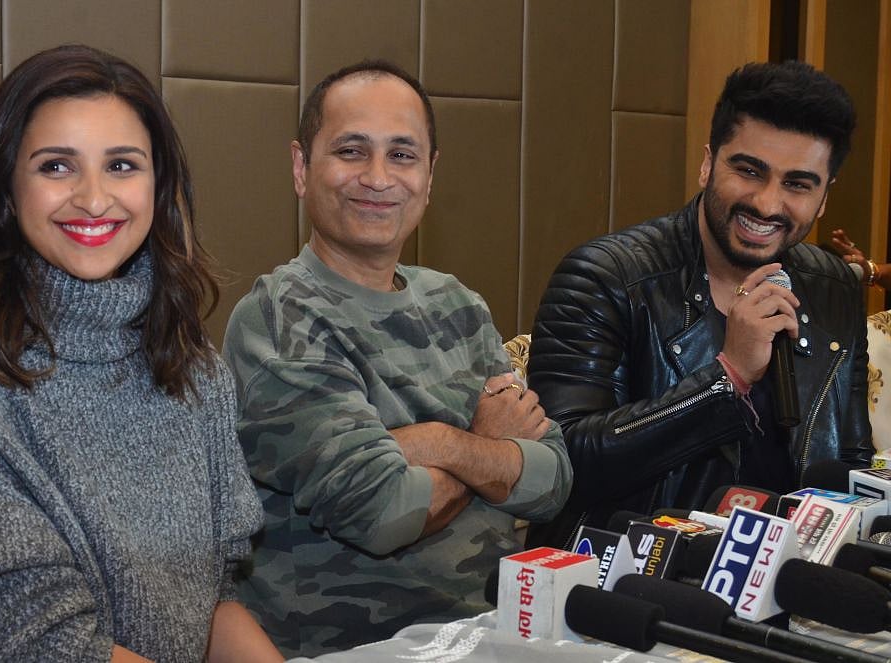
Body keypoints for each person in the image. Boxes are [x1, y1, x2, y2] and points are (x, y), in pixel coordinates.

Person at [0, 45, 281, 663]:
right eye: (57, 167)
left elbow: (212, 600)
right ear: (7, 190)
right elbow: (38, 646)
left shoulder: (196, 372)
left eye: (122, 165)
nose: (93, 198)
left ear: (159, 186)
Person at [222, 60, 572, 657]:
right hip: (357, 647)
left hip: (492, 635)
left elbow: (552, 480)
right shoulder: (279, 318)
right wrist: (483, 440)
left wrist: (432, 443)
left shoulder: (458, 303)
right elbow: (381, 512)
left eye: (403, 155)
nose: (379, 178)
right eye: (352, 151)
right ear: (303, 169)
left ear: (430, 177)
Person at [526, 60, 873, 550]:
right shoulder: (605, 277)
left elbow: (852, 462)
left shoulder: (831, 285)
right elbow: (561, 467)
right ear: (708, 163)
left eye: (797, 184)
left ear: (823, 197)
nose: (768, 204)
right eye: (749, 170)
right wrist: (725, 378)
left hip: (787, 583)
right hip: (632, 583)